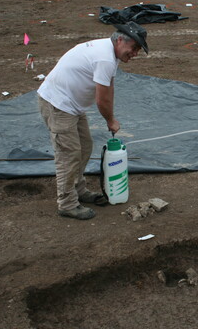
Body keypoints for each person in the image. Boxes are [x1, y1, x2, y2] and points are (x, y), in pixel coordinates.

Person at [37, 22, 149, 220]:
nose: (135, 54)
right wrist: (110, 120)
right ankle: (67, 203)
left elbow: (109, 87)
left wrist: (111, 117)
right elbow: (101, 98)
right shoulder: (104, 58)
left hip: (72, 105)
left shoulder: (110, 53)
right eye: (134, 48)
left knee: (85, 146)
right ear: (121, 40)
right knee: (68, 154)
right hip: (58, 104)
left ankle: (78, 190)